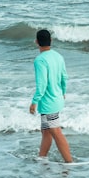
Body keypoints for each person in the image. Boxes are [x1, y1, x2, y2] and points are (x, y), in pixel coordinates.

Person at [29, 29, 73, 163]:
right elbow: (64, 77)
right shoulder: (58, 56)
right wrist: (63, 92)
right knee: (46, 131)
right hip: (57, 98)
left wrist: (34, 102)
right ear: (51, 41)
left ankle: (69, 163)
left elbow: (41, 85)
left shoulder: (40, 60)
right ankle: (42, 159)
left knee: (56, 132)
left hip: (48, 102)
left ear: (36, 42)